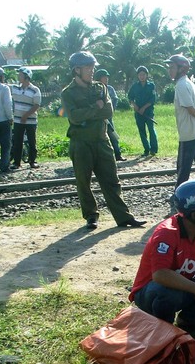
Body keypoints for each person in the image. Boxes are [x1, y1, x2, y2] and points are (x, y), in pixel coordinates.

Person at [129, 180, 195, 336]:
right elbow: (160, 274)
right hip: (151, 292)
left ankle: (190, 321)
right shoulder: (167, 232)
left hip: (179, 287)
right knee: (169, 292)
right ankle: (163, 330)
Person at [61, 51, 145, 230]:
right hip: (81, 142)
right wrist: (94, 108)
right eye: (87, 67)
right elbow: (74, 117)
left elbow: (108, 111)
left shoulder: (100, 87)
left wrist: (89, 112)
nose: (92, 71)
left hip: (102, 140)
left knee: (112, 181)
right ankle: (91, 216)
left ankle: (123, 217)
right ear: (77, 70)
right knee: (83, 181)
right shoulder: (68, 93)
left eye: (92, 67)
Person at [165, 54, 195, 188]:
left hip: (189, 132)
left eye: (172, 67)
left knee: (183, 166)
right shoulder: (189, 83)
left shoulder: (181, 85)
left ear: (181, 69)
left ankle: (179, 194)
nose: (169, 70)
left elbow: (189, 107)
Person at [10, 66, 42, 169]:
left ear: (27, 76)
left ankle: (33, 161)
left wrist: (26, 116)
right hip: (18, 120)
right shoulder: (15, 88)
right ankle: (16, 162)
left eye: (20, 75)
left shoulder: (35, 90)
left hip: (30, 121)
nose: (18, 77)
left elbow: (36, 105)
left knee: (32, 141)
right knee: (17, 141)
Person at [94, 68, 125, 162]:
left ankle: (118, 154)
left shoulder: (110, 89)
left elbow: (114, 100)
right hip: (98, 118)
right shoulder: (94, 89)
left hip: (108, 117)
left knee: (113, 136)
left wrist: (110, 111)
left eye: (107, 77)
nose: (106, 79)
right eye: (104, 77)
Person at [127, 65, 157, 157]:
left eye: (143, 74)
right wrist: (134, 105)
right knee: (142, 131)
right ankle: (146, 149)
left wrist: (144, 108)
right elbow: (130, 97)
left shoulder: (151, 86)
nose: (142, 76)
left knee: (151, 130)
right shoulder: (135, 86)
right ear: (138, 76)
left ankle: (153, 149)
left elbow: (153, 99)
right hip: (138, 113)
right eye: (140, 75)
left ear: (146, 75)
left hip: (148, 112)